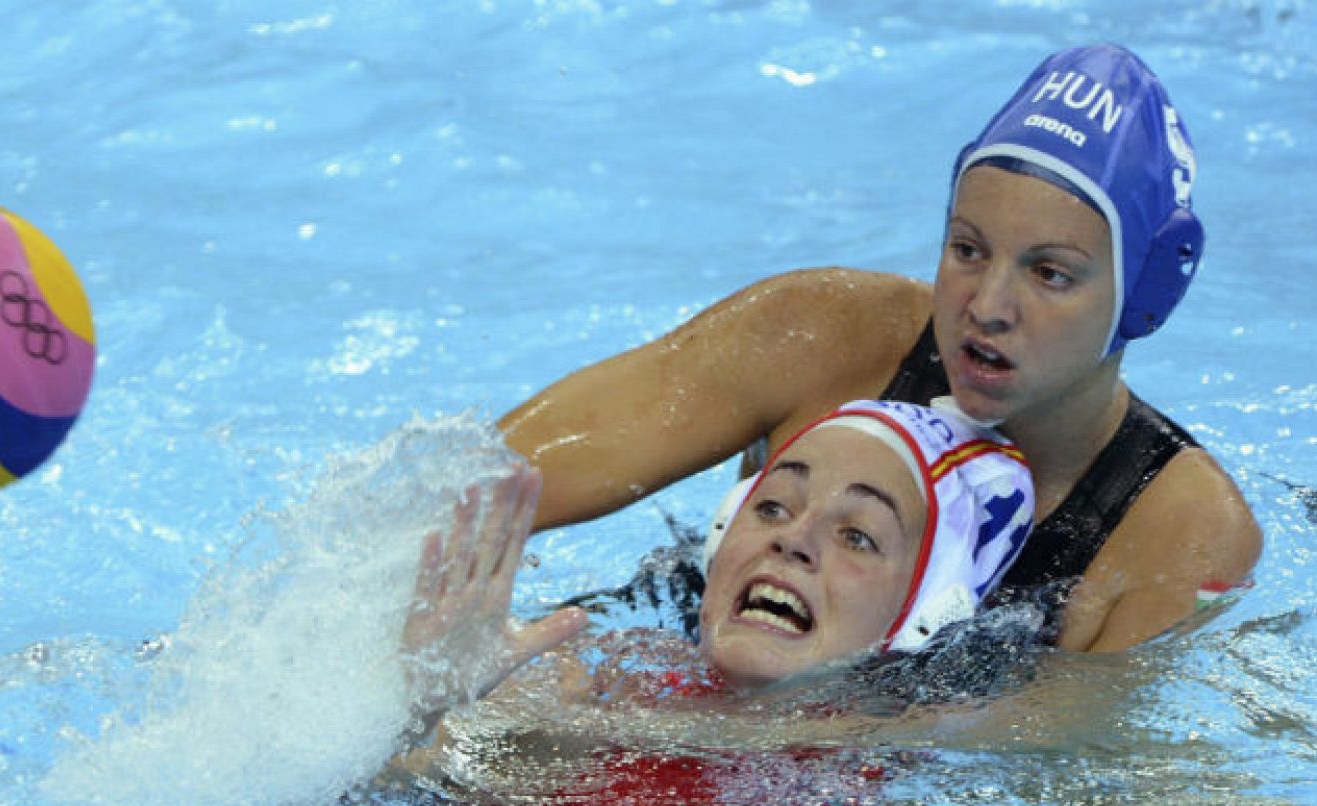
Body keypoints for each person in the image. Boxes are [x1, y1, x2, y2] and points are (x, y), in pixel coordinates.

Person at [495, 44, 1261, 653]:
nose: (986, 307)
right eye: (967, 249)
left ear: (1144, 295)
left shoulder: (1178, 528)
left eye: (1050, 273)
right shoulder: (823, 335)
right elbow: (485, 485)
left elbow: (1066, 773)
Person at [393, 399, 1034, 806]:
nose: (796, 540)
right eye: (775, 506)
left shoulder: (906, 794)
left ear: (921, 612)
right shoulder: (610, 676)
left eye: (859, 537)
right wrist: (418, 707)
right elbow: (373, 793)